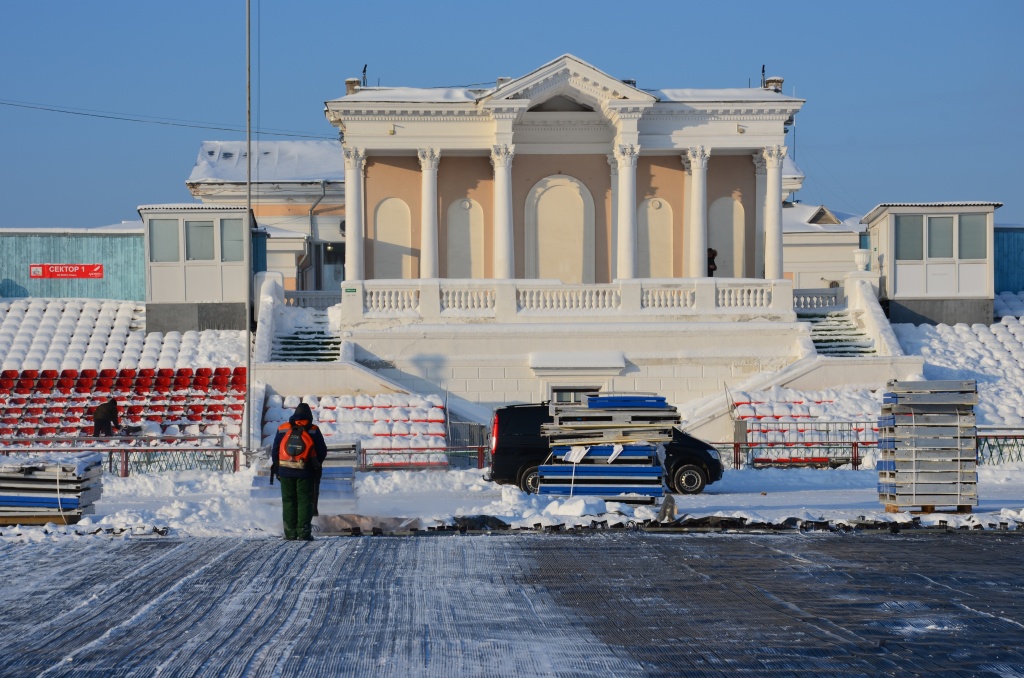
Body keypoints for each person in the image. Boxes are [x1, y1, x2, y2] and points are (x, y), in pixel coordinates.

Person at [270, 403, 327, 541]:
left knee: (288, 501)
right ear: (310, 416)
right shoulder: (313, 429)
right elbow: (322, 451)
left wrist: (278, 469)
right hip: (305, 472)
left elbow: (276, 450)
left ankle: (290, 533)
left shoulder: (283, 428)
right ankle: (303, 533)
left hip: (285, 471)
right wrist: (314, 465)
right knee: (304, 501)